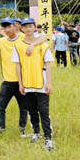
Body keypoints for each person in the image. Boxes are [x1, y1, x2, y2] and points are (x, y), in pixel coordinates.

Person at [13, 17, 54, 151]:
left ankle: (48, 137)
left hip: (41, 83)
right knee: (32, 110)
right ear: (22, 29)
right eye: (26, 26)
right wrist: (20, 84)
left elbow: (48, 64)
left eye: (31, 26)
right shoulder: (18, 46)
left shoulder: (42, 45)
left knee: (44, 110)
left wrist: (49, 82)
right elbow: (17, 66)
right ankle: (36, 132)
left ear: (34, 27)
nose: (28, 29)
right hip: (27, 83)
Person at [0, 17, 29, 136]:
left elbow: (42, 38)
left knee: (23, 107)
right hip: (8, 81)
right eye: (5, 27)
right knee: (0, 106)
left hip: (22, 81)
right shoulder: (1, 42)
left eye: (9, 26)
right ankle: (1, 129)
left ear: (15, 26)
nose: (7, 29)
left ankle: (22, 129)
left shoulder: (23, 38)